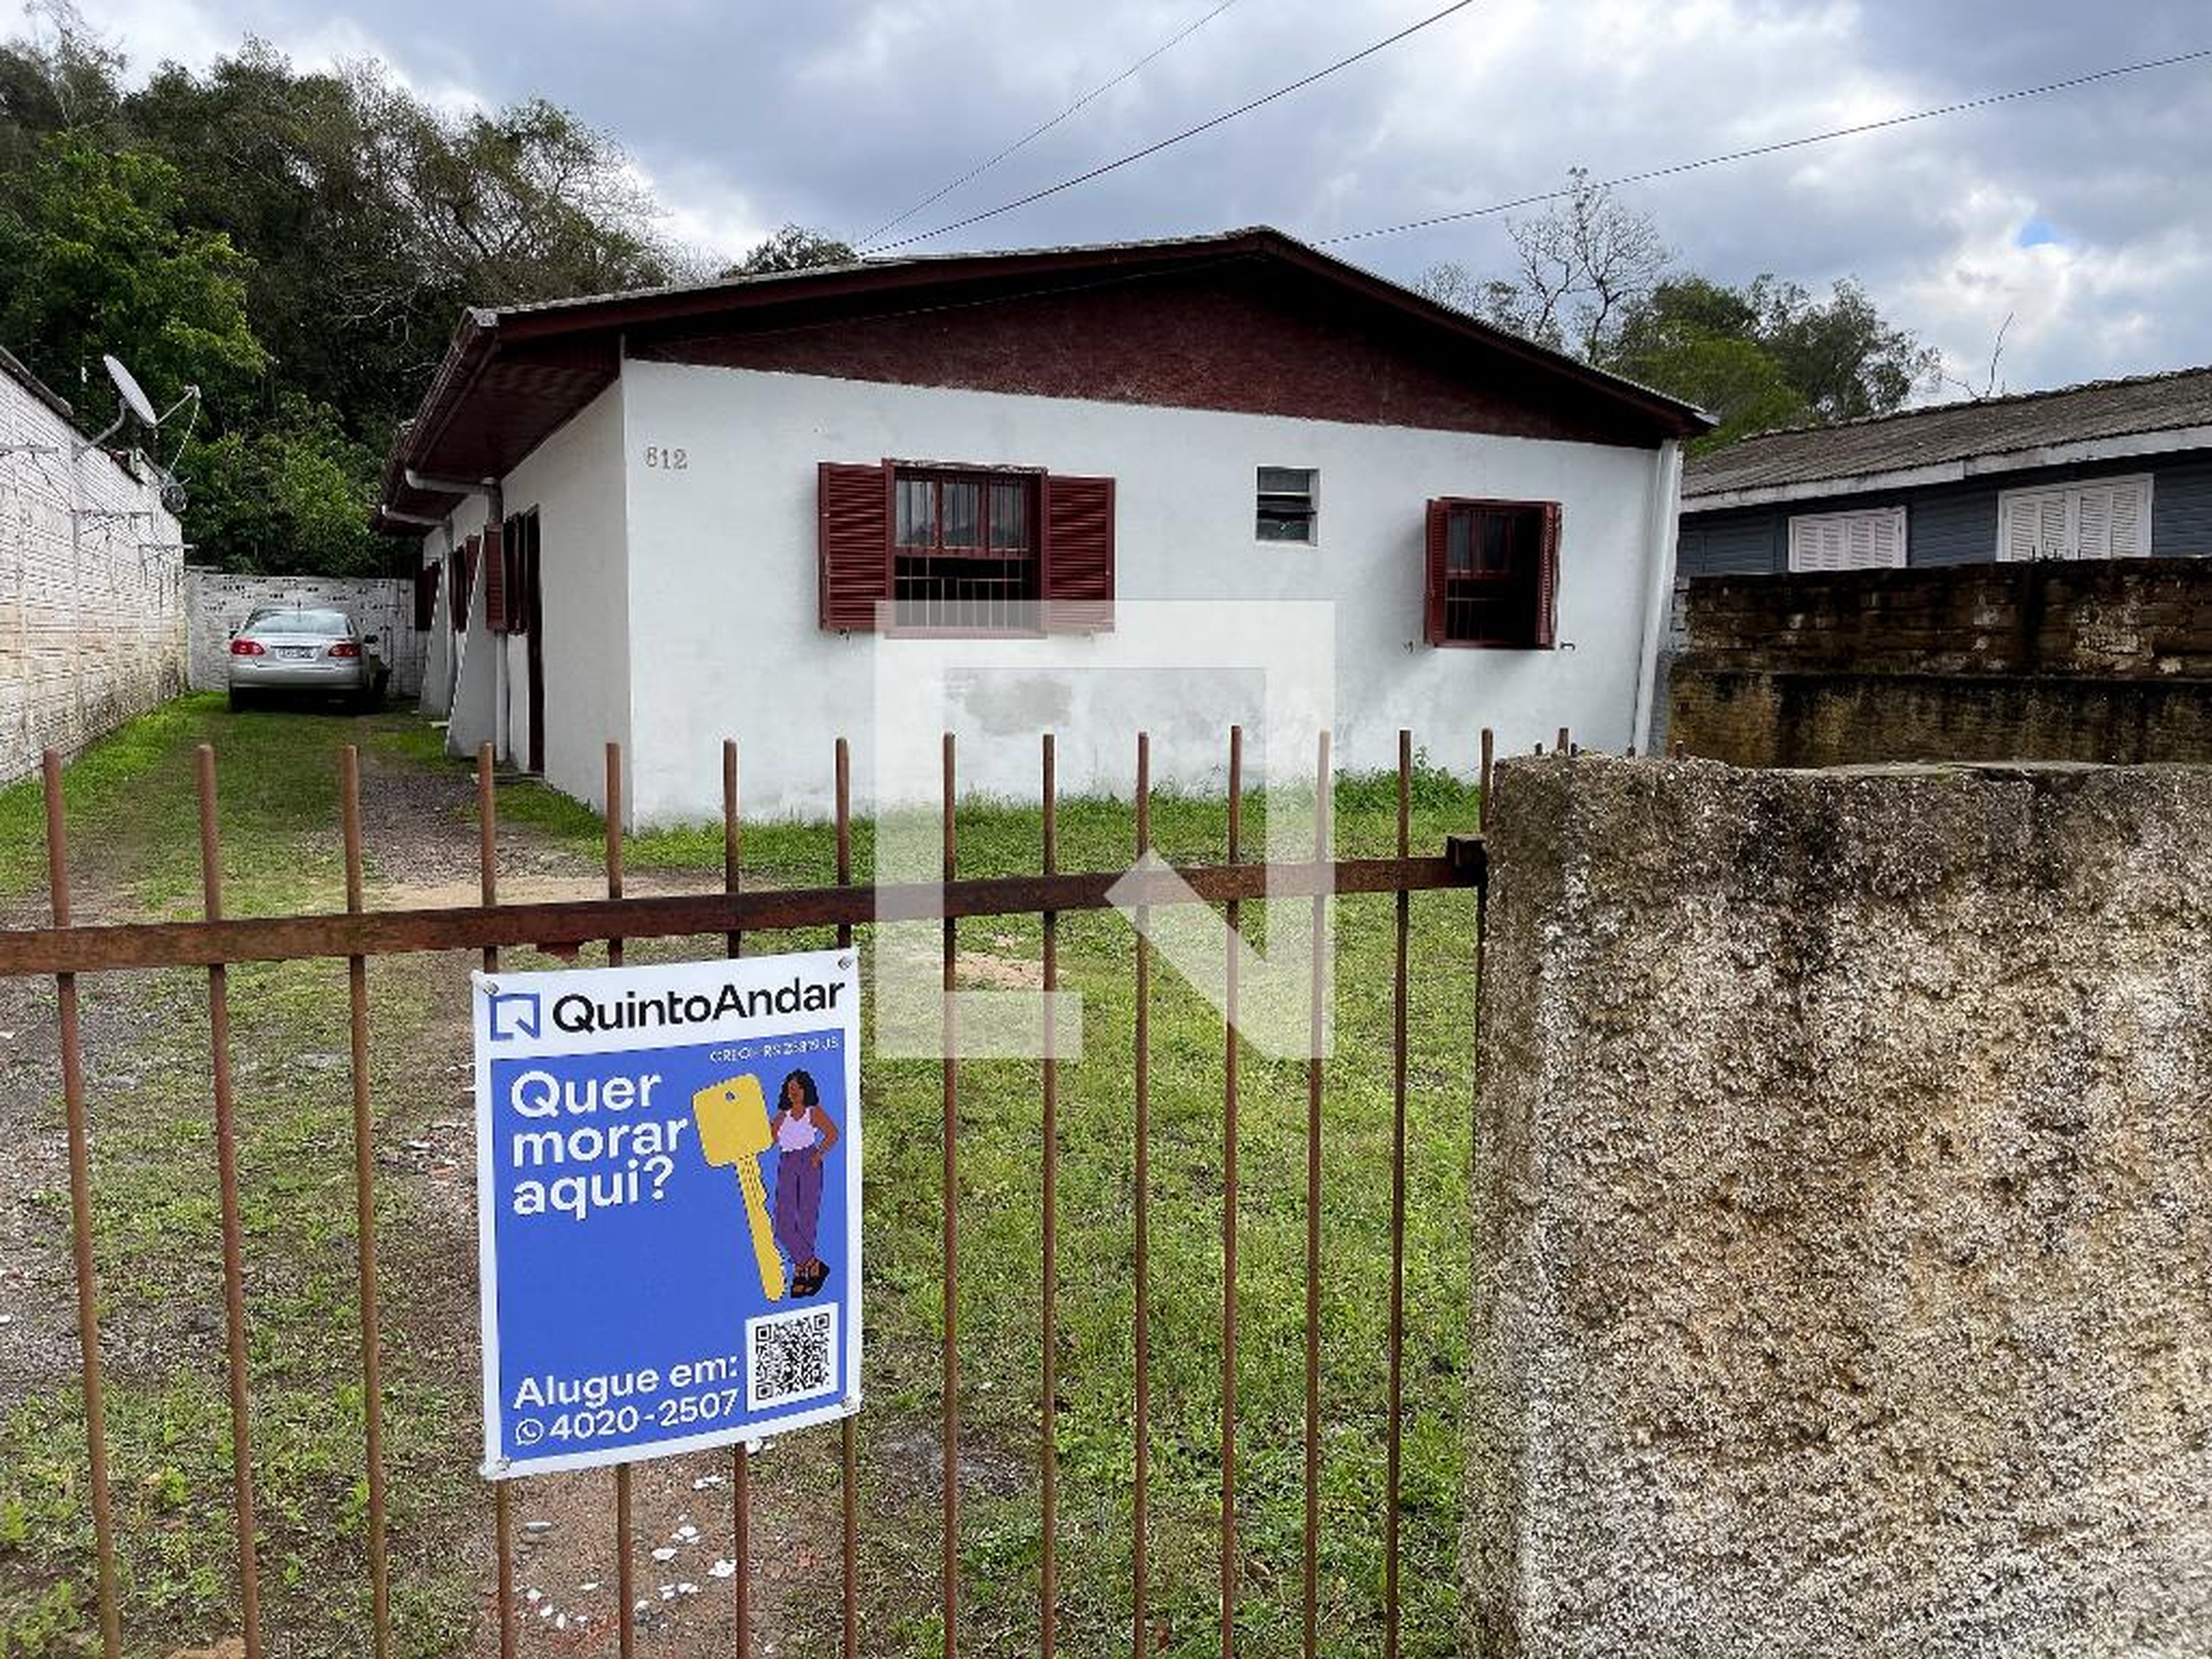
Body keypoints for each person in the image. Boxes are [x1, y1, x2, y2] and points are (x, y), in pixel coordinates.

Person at [770, 1069, 839, 1298]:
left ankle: (801, 1272)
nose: (793, 1092)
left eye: (797, 1088)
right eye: (790, 1089)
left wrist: (818, 1155)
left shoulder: (813, 1112)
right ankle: (813, 1265)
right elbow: (767, 1140)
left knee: (807, 1219)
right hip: (787, 1163)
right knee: (783, 1224)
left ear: (805, 1089)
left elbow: (832, 1133)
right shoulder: (782, 1116)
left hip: (808, 1161)